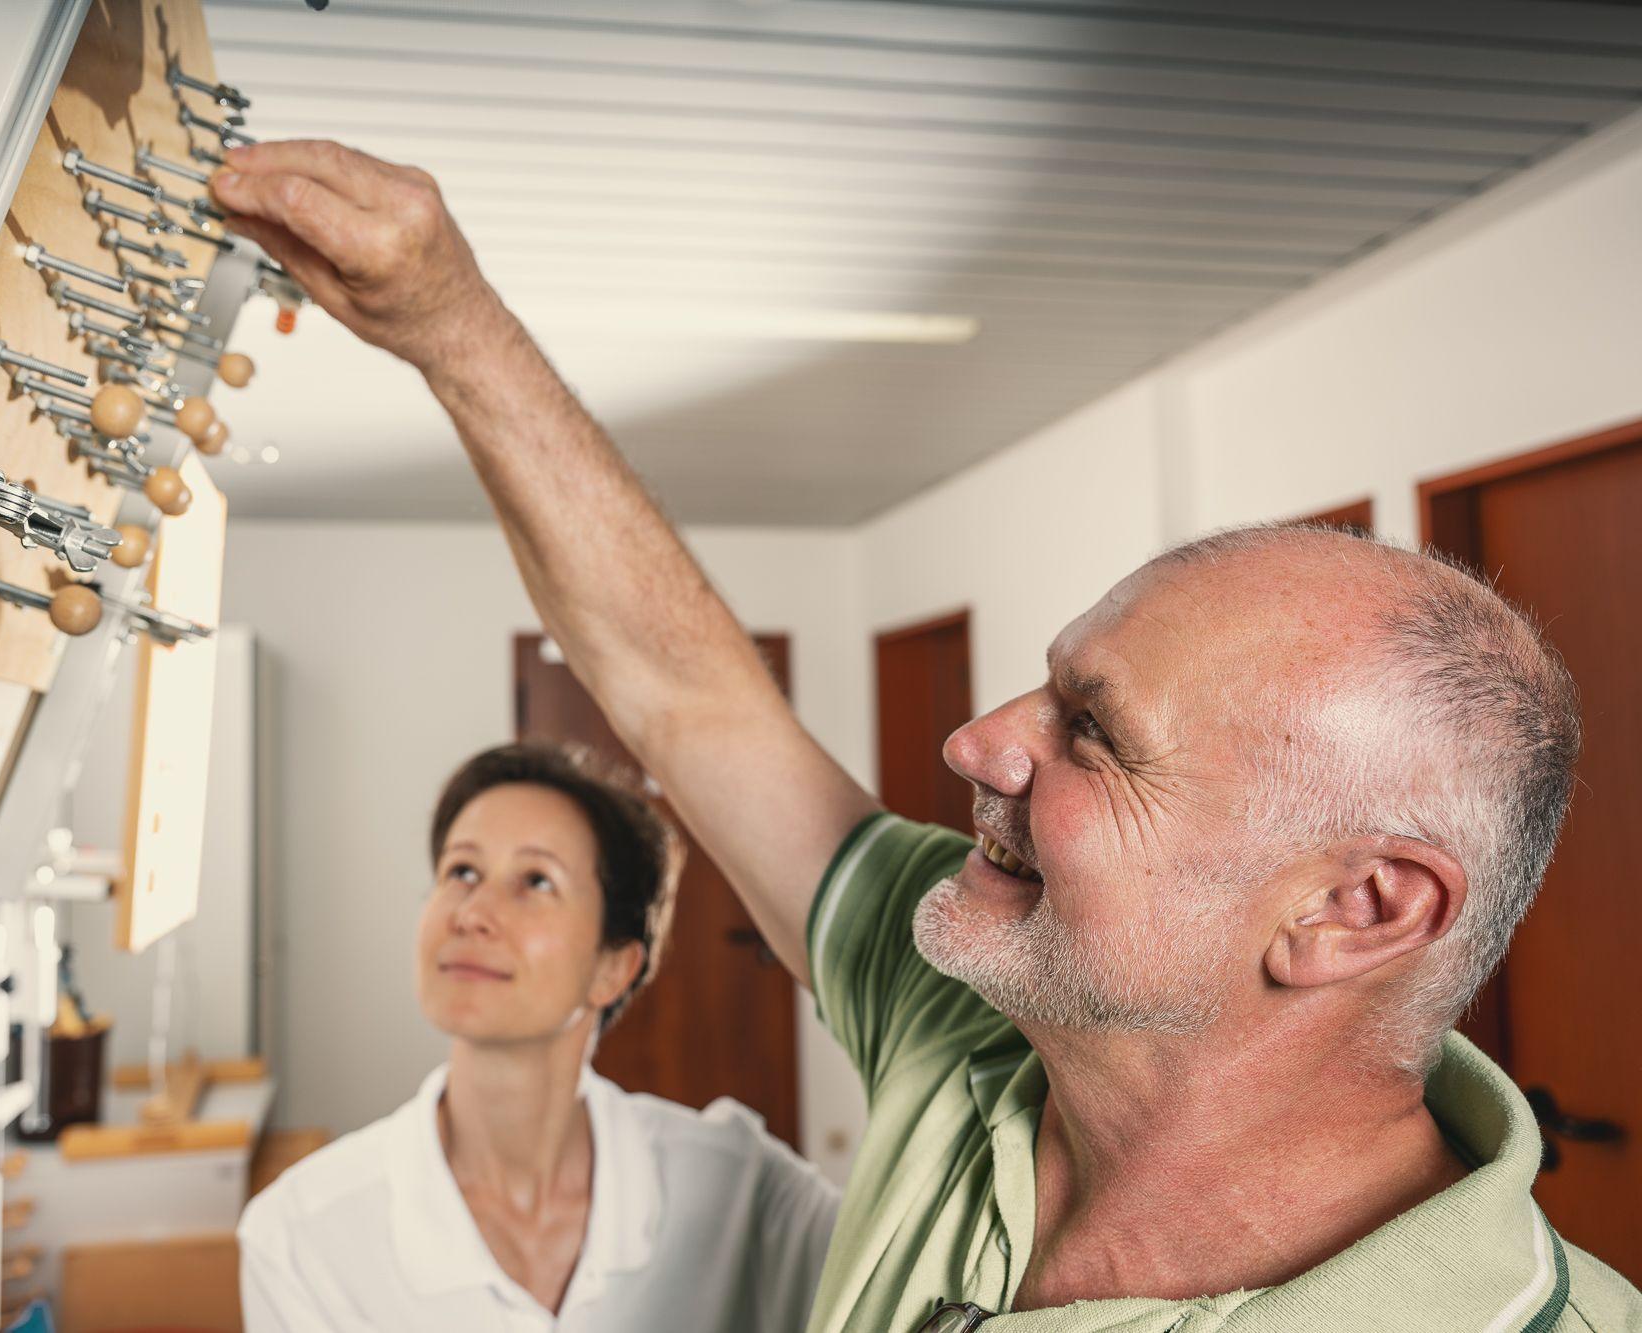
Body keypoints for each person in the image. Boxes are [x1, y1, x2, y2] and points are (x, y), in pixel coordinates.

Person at [211, 142, 1642, 1331]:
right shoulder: (970, 1004)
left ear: (1354, 909)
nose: (975, 741)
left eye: (1093, 734)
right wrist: (451, 320)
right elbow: (689, 696)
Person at [237, 743, 839, 1330]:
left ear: (614, 968)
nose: (471, 912)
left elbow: (918, 1275)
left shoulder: (735, 1185)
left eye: (536, 881)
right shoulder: (301, 1240)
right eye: (462, 871)